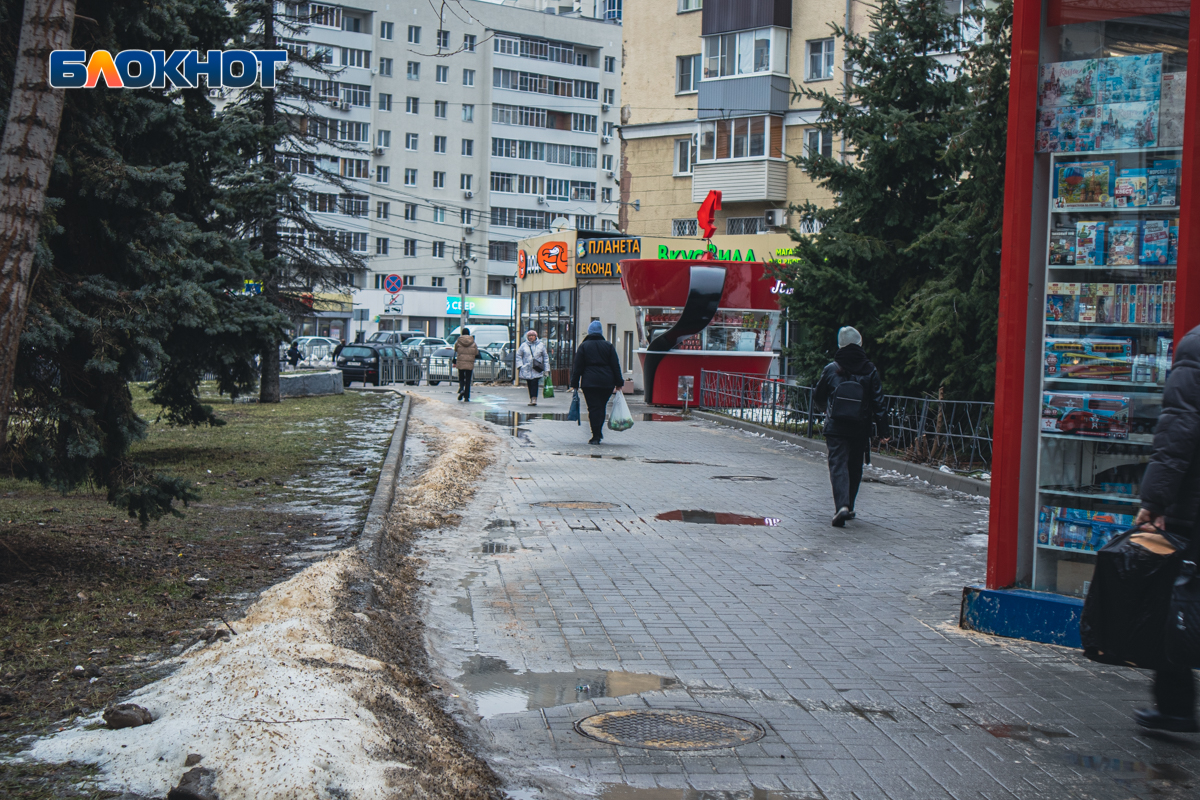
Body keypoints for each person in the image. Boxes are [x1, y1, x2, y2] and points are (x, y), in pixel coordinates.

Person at [1133, 324, 1200, 733]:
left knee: (1174, 598)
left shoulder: (1195, 347)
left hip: (1192, 506)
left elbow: (1178, 431)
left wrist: (1155, 501)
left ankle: (1175, 706)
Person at [812, 326, 889, 527]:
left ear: (841, 345)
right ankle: (849, 506)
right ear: (859, 343)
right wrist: (884, 431)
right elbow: (878, 402)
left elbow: (818, 395)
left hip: (836, 426)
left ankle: (842, 507)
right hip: (860, 427)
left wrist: (825, 409)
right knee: (855, 466)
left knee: (838, 464)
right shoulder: (869, 370)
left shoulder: (832, 368)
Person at [570, 320, 624, 445]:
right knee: (601, 407)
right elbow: (615, 365)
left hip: (589, 382)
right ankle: (598, 432)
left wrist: (574, 383)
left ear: (589, 332)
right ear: (601, 332)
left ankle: (595, 435)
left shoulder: (584, 346)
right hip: (607, 382)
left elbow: (578, 367)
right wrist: (619, 382)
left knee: (593, 408)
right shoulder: (608, 346)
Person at [516, 330, 549, 406]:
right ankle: (531, 398)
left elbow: (545, 357)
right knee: (530, 383)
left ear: (535, 336)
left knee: (534, 382)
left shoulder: (541, 345)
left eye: (532, 336)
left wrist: (546, 369)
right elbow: (518, 355)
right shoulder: (524, 345)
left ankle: (534, 398)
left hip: (537, 368)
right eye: (529, 336)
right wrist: (520, 365)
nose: (531, 337)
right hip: (527, 368)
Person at [453, 327, 479, 402]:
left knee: (461, 378)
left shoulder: (458, 341)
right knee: (468, 380)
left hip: (461, 362)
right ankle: (466, 397)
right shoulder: (473, 342)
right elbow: (476, 352)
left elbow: (455, 349)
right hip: (469, 363)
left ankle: (461, 389)